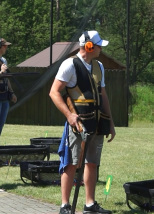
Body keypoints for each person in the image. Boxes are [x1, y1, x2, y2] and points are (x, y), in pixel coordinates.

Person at [49, 30, 116, 214]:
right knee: (71, 163)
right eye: (98, 45)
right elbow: (54, 92)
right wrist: (70, 116)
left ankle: (89, 204)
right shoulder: (69, 64)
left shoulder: (99, 66)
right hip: (77, 124)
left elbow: (103, 96)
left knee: (92, 163)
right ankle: (64, 205)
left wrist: (110, 122)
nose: (101, 48)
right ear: (88, 46)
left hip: (96, 123)